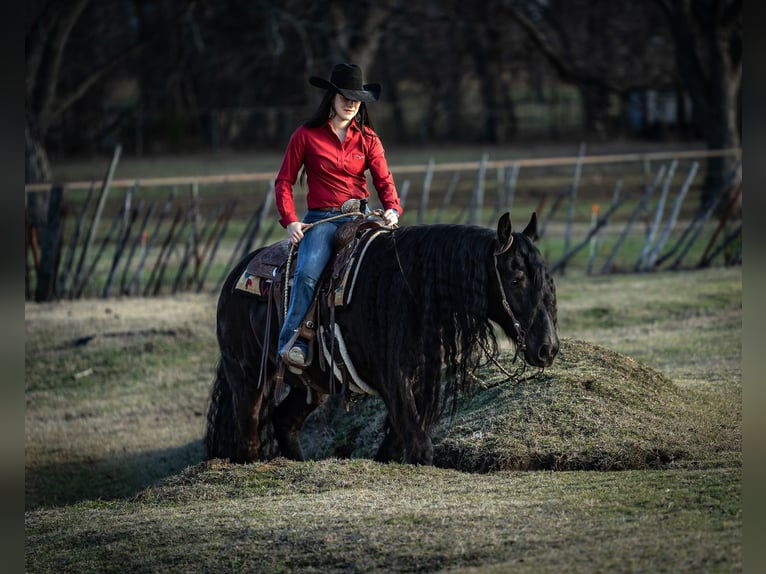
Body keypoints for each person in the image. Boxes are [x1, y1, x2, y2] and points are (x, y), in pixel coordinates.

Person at [274, 63, 401, 373]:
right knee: (307, 274)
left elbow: (384, 180)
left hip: (361, 218)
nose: (351, 103)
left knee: (395, 266)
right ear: (331, 96)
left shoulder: (368, 138)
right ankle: (292, 342)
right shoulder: (306, 135)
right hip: (322, 220)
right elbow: (284, 182)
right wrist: (290, 220)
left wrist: (393, 210)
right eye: (345, 96)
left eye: (356, 98)